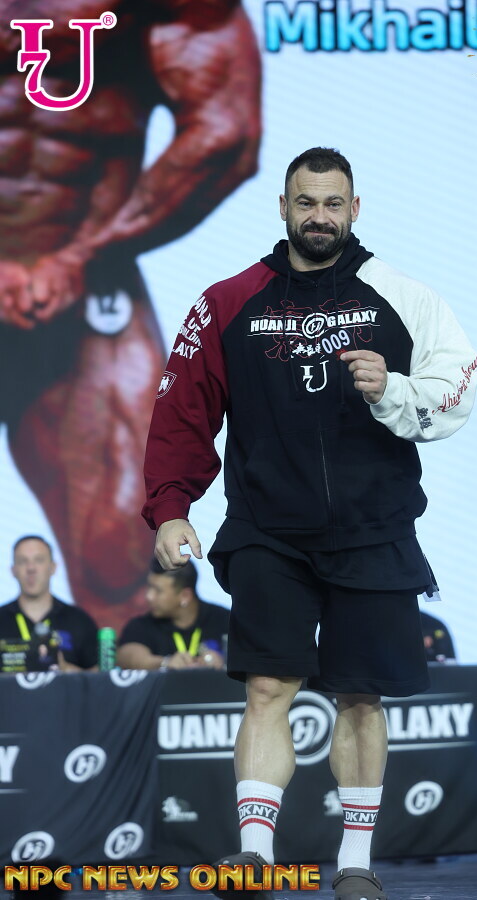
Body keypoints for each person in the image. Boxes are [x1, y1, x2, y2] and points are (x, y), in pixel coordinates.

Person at [142, 148, 477, 899]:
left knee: (360, 696)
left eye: (332, 203)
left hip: (375, 528)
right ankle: (254, 859)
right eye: (305, 202)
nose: (318, 217)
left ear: (355, 209)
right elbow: (180, 413)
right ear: (284, 207)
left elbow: (457, 390)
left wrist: (392, 389)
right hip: (268, 529)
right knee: (268, 687)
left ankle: (355, 866)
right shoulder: (228, 301)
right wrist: (170, 507)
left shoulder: (404, 296)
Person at [0, 0, 260, 633]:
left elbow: (225, 136)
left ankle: (118, 695)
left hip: (81, 285)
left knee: (121, 553)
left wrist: (84, 253)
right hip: (69, 270)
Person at [0, 535, 98, 671]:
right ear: (13, 570)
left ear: (53, 567)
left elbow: (99, 677)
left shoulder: (79, 620)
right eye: (22, 561)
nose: (31, 568)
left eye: (39, 560)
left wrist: (64, 669)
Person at [117, 557, 229, 670]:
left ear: (185, 596)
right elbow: (126, 657)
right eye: (149, 587)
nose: (149, 596)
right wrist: (165, 663)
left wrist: (224, 661)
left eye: (158, 590)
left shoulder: (225, 620)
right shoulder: (140, 625)